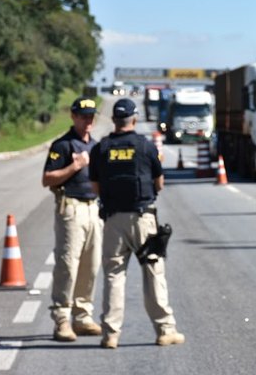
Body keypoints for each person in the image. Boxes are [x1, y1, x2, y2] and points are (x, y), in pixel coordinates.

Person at [88, 98, 184, 349]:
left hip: (112, 220)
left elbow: (95, 186)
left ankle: (110, 334)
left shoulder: (101, 148)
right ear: (134, 118)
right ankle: (165, 330)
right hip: (143, 218)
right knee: (153, 273)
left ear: (114, 120)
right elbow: (159, 183)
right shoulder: (145, 146)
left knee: (113, 276)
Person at [42, 96, 103, 342]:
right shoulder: (63, 145)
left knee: (91, 264)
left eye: (91, 116)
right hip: (71, 206)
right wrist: (74, 167)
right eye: (83, 116)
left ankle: (83, 315)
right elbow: (47, 179)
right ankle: (62, 318)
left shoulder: (96, 146)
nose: (87, 120)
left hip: (93, 208)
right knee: (68, 264)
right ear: (73, 116)